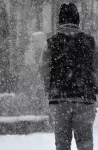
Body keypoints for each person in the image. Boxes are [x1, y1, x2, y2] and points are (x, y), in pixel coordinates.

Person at [40, 3, 97, 150]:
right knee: (85, 142)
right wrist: (94, 88)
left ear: (60, 21)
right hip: (85, 99)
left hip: (59, 99)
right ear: (77, 21)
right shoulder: (90, 42)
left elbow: (44, 69)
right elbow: (96, 69)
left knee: (62, 143)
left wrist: (49, 89)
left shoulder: (51, 43)